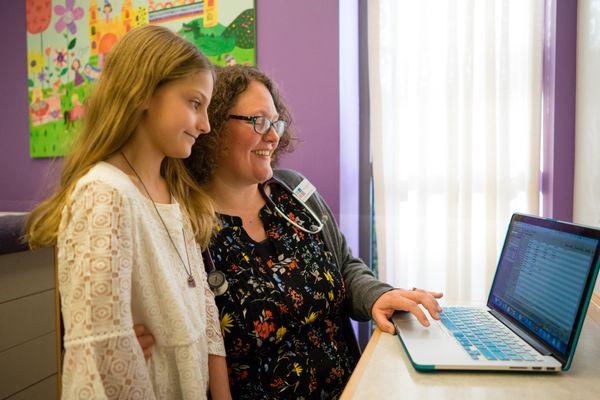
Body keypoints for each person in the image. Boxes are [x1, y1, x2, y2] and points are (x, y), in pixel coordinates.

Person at [138, 65, 444, 398]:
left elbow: (344, 267)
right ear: (213, 128)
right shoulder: (186, 228)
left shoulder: (295, 192)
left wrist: (377, 295)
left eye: (276, 122)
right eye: (258, 121)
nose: (273, 135)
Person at [26, 25, 230, 399]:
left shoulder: (175, 194)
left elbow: (202, 304)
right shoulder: (103, 193)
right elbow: (105, 343)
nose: (205, 125)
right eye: (194, 103)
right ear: (144, 93)